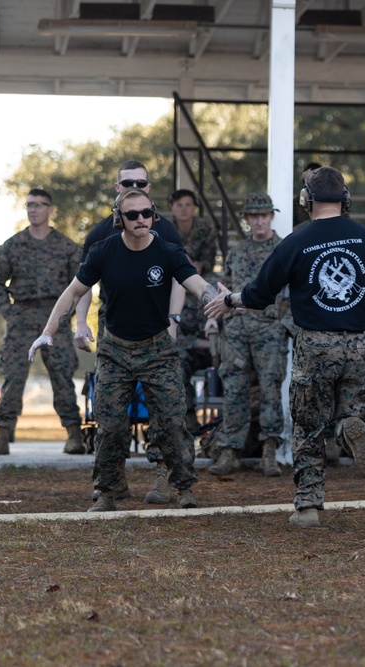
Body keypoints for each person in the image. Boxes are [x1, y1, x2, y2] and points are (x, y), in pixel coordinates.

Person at [204, 166, 365, 528]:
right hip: (361, 343)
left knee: (308, 425)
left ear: (306, 201)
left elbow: (260, 294)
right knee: (360, 410)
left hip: (315, 344)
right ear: (345, 200)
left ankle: (307, 505)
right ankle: (348, 427)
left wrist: (230, 300)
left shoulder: (296, 241)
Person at [29, 188, 221, 511]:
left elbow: (197, 284)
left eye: (146, 213)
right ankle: (106, 491)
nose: (141, 219)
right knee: (111, 425)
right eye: (132, 215)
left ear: (153, 214)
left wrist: (220, 300)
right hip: (115, 350)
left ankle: (184, 488)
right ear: (120, 219)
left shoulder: (168, 251)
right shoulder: (103, 252)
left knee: (172, 423)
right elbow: (73, 292)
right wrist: (48, 332)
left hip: (158, 350)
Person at [74, 160, 190, 503]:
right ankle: (113, 482)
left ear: (149, 189)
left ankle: (164, 477)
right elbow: (81, 284)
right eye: (127, 183)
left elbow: (182, 278)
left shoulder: (166, 231)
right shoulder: (100, 234)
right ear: (117, 188)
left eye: (140, 182)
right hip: (115, 333)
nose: (133, 187)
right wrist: (80, 322)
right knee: (111, 415)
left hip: (156, 330)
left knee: (165, 413)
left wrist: (173, 320)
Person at [0, 188, 84, 456]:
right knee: (13, 376)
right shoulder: (11, 246)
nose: (33, 209)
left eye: (39, 205)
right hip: (22, 318)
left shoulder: (67, 247)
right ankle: (3, 433)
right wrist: (8, 312)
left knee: (63, 376)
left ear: (50, 209)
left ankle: (73, 433)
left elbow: (80, 286)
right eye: (29, 205)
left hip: (55, 318)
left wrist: (67, 316)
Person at [205, 192, 289, 478]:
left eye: (263, 215)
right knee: (234, 390)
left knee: (270, 389)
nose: (259, 221)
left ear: (271, 216)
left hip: (269, 331)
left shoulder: (283, 249)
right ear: (247, 219)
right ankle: (230, 450)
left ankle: (269, 451)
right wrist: (215, 320)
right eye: (254, 216)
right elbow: (223, 289)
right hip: (237, 331)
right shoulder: (237, 252)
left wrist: (286, 326)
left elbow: (295, 291)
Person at [169, 188, 217, 431]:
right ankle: (188, 417)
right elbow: (173, 333)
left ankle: (227, 426)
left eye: (188, 204)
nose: (184, 209)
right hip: (189, 348)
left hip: (215, 348)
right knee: (176, 362)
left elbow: (209, 258)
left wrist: (200, 267)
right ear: (172, 208)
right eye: (179, 205)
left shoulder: (212, 287)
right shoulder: (170, 293)